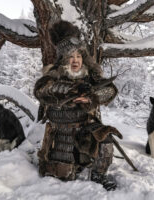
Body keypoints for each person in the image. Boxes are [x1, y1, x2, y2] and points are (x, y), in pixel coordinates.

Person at [34, 21, 122, 191]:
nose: (76, 60)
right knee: (65, 174)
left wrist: (91, 97)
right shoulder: (54, 75)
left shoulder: (90, 77)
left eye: (79, 56)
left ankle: (98, 175)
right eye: (71, 56)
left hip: (84, 129)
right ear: (64, 59)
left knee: (106, 137)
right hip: (61, 133)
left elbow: (109, 90)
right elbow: (42, 90)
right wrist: (73, 91)